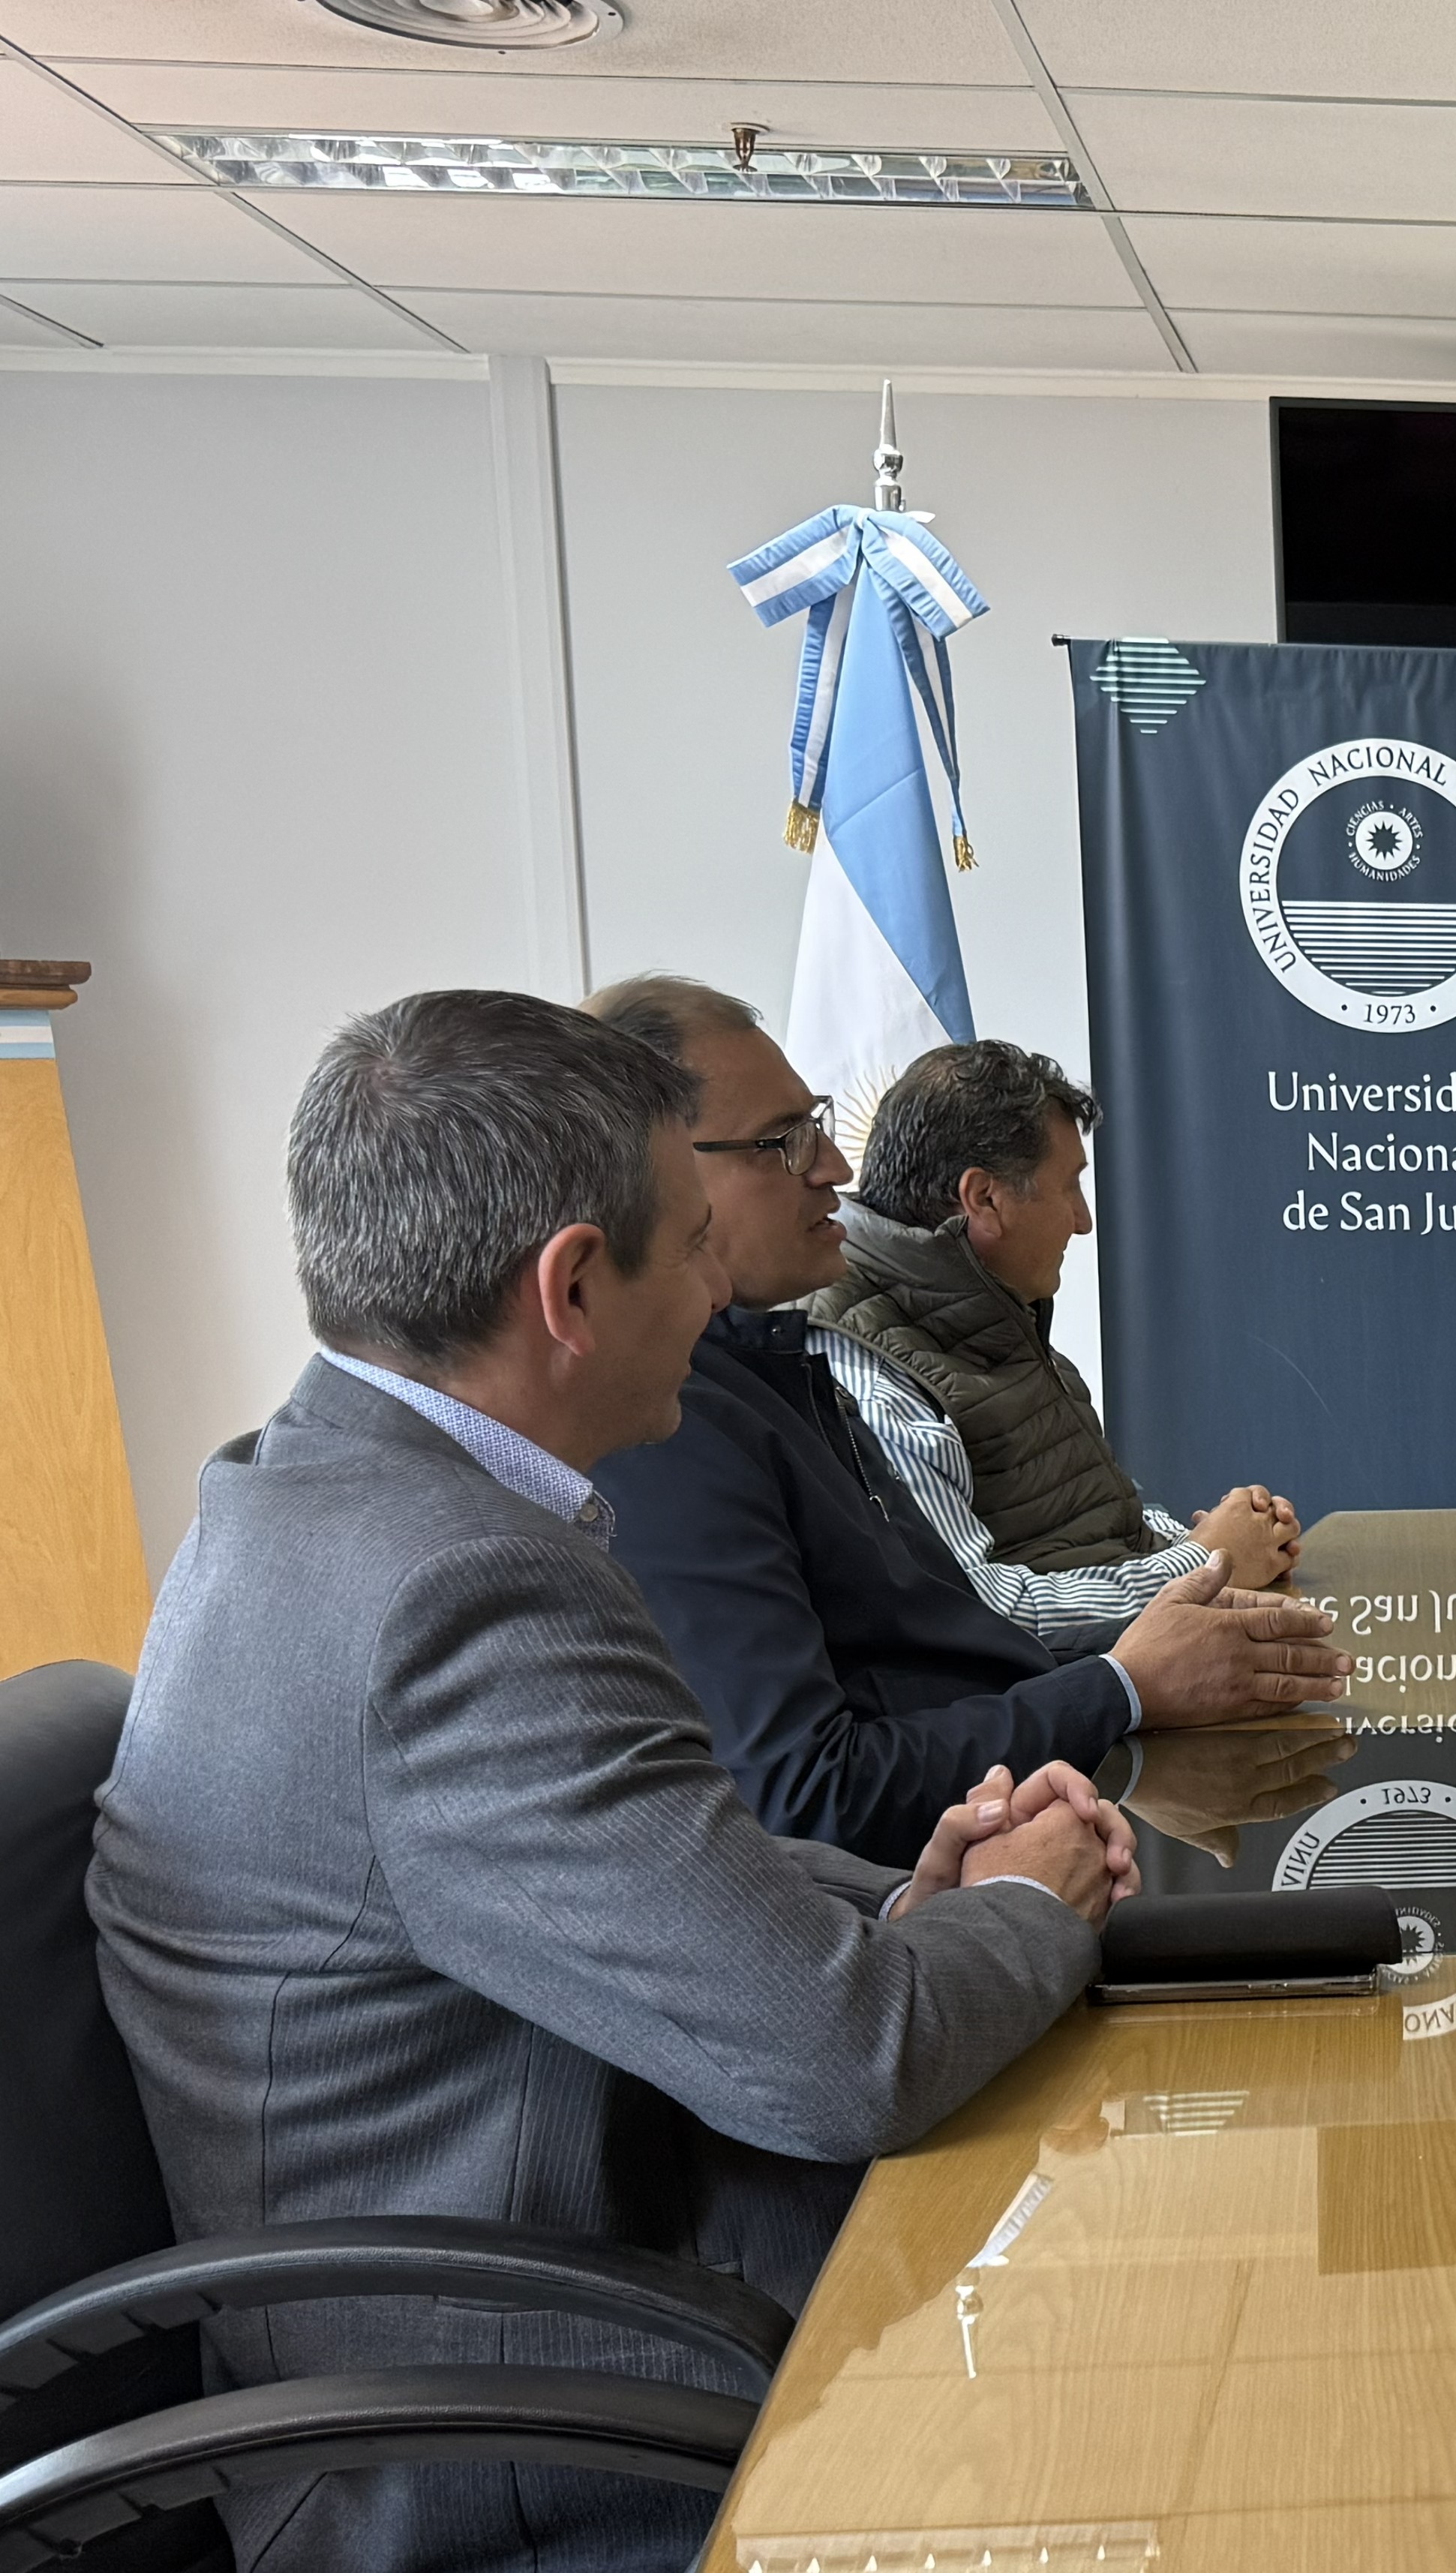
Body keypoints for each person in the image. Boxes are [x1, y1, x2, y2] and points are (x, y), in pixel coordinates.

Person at [86, 989, 1136, 2573]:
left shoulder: (307, 1498)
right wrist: (1030, 1910)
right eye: (693, 1238)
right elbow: (850, 2049)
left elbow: (658, 1877)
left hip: (536, 2316)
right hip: (516, 2441)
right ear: (574, 1285)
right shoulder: (455, 1596)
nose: (727, 1279)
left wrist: (930, 1892)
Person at [583, 977, 1350, 1864]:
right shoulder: (669, 1424)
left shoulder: (776, 1362)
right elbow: (809, 1794)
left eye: (819, 1124)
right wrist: (1132, 1675)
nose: (833, 1166)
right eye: (783, 1141)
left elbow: (943, 1633)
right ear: (660, 1175)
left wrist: (1183, 1635)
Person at [807, 1033, 1301, 1654]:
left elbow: (1079, 1530)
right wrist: (1208, 1564)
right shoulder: (869, 1376)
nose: (1082, 1219)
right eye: (1069, 1186)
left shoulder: (998, 1311)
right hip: (1061, 1735)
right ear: (983, 1198)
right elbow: (979, 1610)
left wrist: (1201, 1539)